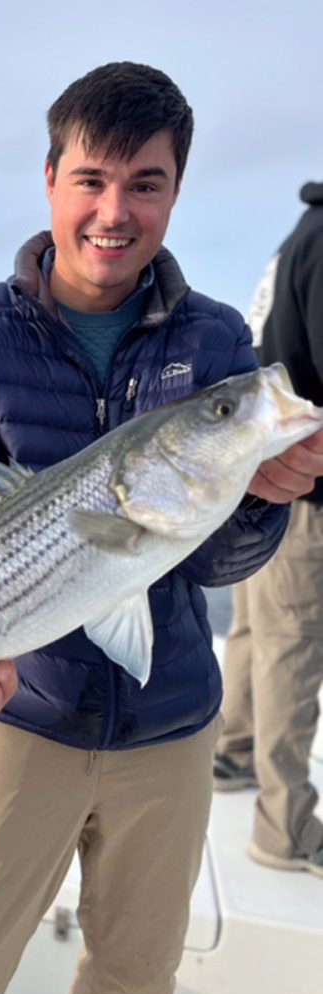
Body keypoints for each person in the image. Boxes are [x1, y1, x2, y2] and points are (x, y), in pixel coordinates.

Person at [0, 63, 323, 994]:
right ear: (50, 178)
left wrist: (261, 496)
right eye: (91, 179)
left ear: (175, 192)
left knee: (136, 980)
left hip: (167, 721)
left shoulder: (216, 343)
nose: (114, 211)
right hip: (14, 713)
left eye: (146, 183)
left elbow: (214, 563)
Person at [213, 181, 323, 877]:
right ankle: (285, 831)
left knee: (259, 628)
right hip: (305, 483)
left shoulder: (297, 238)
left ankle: (236, 751)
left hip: (262, 478)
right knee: (293, 645)